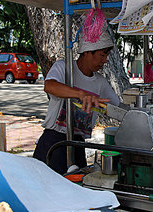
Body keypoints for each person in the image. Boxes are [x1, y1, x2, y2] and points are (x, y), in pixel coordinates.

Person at [33, 29, 120, 175]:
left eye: (106, 55)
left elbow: (116, 106)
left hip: (78, 143)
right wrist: (80, 94)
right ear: (87, 51)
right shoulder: (64, 67)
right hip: (54, 140)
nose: (105, 60)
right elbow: (49, 86)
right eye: (102, 55)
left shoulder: (100, 82)